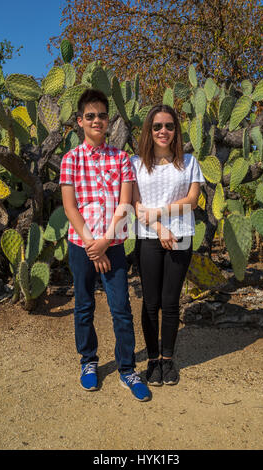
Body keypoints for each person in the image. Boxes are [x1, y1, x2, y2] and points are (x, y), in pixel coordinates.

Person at [59, 89, 150, 402]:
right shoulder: (70, 160)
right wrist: (90, 244)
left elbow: (125, 204)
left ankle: (127, 369)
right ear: (80, 121)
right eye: (90, 116)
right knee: (83, 306)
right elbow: (70, 207)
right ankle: (89, 362)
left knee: (121, 308)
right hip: (81, 245)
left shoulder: (121, 158)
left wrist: (104, 241)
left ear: (108, 120)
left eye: (101, 115)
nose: (96, 120)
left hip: (112, 245)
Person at [131, 104, 205, 387]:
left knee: (170, 302)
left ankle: (168, 360)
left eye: (169, 126)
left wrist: (160, 214)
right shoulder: (136, 164)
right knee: (150, 303)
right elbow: (136, 205)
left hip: (182, 236)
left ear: (176, 130)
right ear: (150, 130)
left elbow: (192, 201)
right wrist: (160, 227)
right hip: (150, 237)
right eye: (158, 126)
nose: (164, 131)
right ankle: (152, 361)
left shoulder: (189, 162)